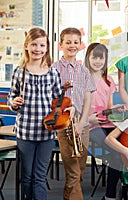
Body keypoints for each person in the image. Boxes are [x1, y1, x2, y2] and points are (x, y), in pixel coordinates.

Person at [7, 27, 62, 199]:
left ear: (47, 48)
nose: (38, 49)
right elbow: (12, 98)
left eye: (42, 45)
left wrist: (60, 111)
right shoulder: (19, 72)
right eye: (34, 44)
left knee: (39, 176)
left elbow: (58, 101)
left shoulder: (53, 73)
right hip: (25, 132)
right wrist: (13, 103)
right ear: (26, 46)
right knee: (27, 176)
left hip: (46, 133)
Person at [51, 27, 96, 200]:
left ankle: (67, 196)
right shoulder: (54, 69)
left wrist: (82, 121)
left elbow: (87, 99)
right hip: (64, 124)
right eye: (68, 42)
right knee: (73, 171)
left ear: (80, 45)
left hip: (82, 124)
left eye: (75, 42)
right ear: (60, 45)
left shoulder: (83, 70)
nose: (72, 45)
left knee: (80, 169)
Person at [84, 42, 121, 200]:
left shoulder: (109, 80)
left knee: (125, 151)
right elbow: (75, 107)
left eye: (101, 58)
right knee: (116, 153)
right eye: (94, 57)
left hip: (108, 124)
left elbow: (110, 106)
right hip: (91, 127)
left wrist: (118, 109)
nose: (98, 61)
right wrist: (88, 118)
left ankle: (119, 191)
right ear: (88, 58)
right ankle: (111, 195)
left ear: (105, 60)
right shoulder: (82, 79)